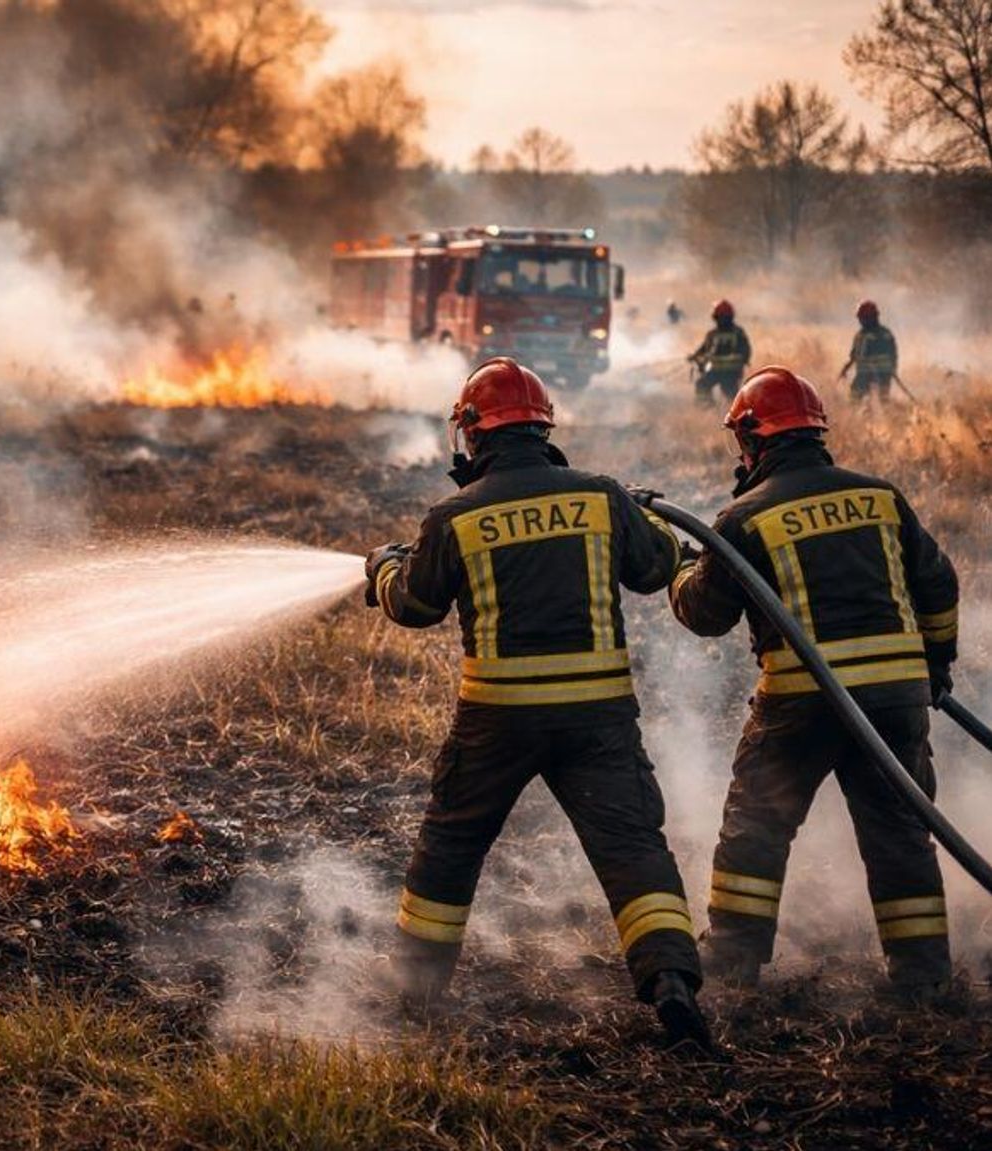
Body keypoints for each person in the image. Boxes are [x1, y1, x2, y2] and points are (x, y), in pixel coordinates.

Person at [365, 357, 710, 1050]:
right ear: (543, 426)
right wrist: (639, 517)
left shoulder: (455, 515)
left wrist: (384, 568)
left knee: (453, 843)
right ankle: (671, 977)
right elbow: (656, 569)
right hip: (599, 715)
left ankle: (415, 987)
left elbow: (414, 605)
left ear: (471, 434)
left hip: (498, 720)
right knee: (632, 846)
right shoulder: (599, 495)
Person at [666, 366, 958, 998]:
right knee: (900, 832)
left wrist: (683, 570)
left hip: (803, 700)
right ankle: (925, 976)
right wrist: (935, 667)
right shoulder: (881, 496)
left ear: (752, 440)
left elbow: (708, 616)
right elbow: (939, 584)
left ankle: (735, 959)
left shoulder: (745, 516)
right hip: (896, 697)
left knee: (758, 825)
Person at [688, 300, 752, 404]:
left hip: (730, 373)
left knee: (731, 397)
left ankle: (732, 415)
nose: (718, 320)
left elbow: (746, 351)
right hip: (716, 370)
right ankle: (707, 407)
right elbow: (704, 348)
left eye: (719, 317)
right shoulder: (713, 333)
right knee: (702, 385)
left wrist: (740, 360)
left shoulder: (737, 333)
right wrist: (694, 356)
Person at [840, 300, 899, 402]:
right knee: (883, 401)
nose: (861, 321)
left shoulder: (862, 336)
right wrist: (892, 369)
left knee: (855, 398)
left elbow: (855, 356)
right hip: (885, 374)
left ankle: (857, 416)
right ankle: (887, 416)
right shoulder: (887, 333)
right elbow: (893, 354)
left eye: (862, 318)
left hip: (865, 374)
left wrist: (845, 369)